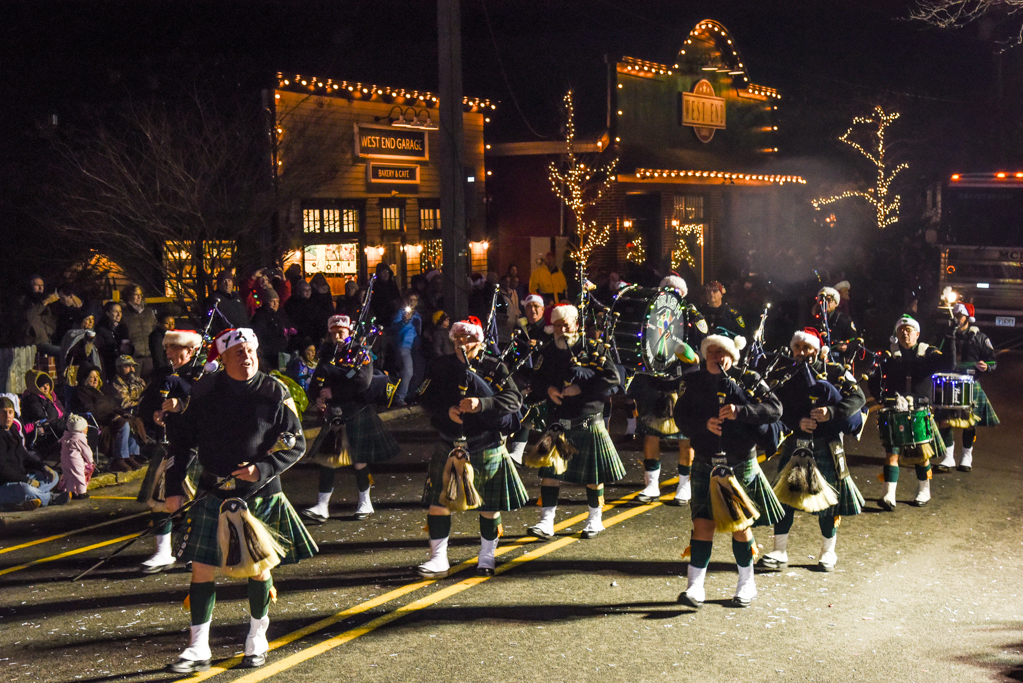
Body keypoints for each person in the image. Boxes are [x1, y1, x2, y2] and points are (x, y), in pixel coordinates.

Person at [162, 328, 315, 673]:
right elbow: (182, 443)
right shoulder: (205, 392)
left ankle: (256, 637)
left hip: (259, 493)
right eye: (238, 352)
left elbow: (295, 442)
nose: (246, 356)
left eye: (250, 350)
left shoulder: (275, 391)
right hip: (213, 490)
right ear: (223, 358)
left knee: (259, 569)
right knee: (201, 568)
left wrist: (262, 468)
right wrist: (173, 486)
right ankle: (198, 646)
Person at [673, 335, 784, 609]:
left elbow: (775, 408)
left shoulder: (748, 379)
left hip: (739, 462)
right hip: (705, 461)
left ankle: (747, 583)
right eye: (711, 351)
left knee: (740, 526)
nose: (716, 356)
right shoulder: (694, 381)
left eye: (722, 352)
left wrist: (741, 411)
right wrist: (703, 425)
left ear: (732, 356)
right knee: (702, 523)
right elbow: (680, 416)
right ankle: (694, 587)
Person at [415, 316, 529, 577]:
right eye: (458, 339)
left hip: (485, 443)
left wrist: (482, 405)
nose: (462, 344)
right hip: (450, 443)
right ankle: (439, 559)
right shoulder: (440, 366)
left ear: (480, 342)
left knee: (489, 507)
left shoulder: (494, 367)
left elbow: (514, 400)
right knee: (439, 504)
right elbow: (423, 397)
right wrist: (447, 412)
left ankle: (487, 557)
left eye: (469, 340)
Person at [759, 328, 866, 573]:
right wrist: (797, 423)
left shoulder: (836, 371)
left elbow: (857, 397)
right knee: (784, 498)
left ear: (817, 350)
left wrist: (832, 412)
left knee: (827, 502)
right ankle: (779, 550)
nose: (802, 352)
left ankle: (828, 552)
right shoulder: (784, 374)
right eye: (798, 347)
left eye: (807, 348)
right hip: (796, 443)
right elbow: (775, 406)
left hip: (826, 444)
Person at [525, 303, 624, 541]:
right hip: (559, 419)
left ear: (577, 325)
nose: (561, 329)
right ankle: (546, 522)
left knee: (593, 475)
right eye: (557, 325)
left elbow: (613, 379)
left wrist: (581, 388)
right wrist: (548, 389)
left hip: (588, 418)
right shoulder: (548, 351)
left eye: (566, 324)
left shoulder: (594, 349)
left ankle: (594, 519)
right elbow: (535, 379)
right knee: (550, 473)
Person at [301, 315, 401, 525]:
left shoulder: (361, 352)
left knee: (359, 460)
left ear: (349, 331)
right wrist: (317, 397)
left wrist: (333, 391)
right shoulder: (327, 353)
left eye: (341, 332)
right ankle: (322, 506)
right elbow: (318, 379)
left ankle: (365, 501)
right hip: (335, 412)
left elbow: (362, 383)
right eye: (334, 332)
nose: (337, 335)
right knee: (328, 459)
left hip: (356, 410)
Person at [634, 275, 707, 506]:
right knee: (650, 435)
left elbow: (700, 349)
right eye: (667, 289)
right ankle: (652, 485)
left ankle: (685, 485)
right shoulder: (650, 312)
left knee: (685, 438)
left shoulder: (692, 315)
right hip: (655, 382)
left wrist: (690, 355)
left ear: (683, 294)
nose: (671, 293)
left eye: (675, 290)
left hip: (682, 383)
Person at [137, 328, 204, 574]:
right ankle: (163, 552)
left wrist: (183, 405)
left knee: (197, 502)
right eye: (167, 348)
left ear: (189, 351)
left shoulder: (203, 376)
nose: (168, 353)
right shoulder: (168, 376)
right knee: (159, 501)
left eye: (172, 348)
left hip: (198, 448)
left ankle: (195, 551)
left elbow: (208, 408)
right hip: (174, 444)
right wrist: (159, 413)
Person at [868, 315, 951, 510]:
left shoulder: (928, 353)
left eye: (909, 329)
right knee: (891, 453)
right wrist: (878, 396)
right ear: (896, 334)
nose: (905, 333)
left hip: (920, 410)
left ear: (917, 333)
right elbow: (874, 378)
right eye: (901, 330)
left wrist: (951, 338)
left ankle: (924, 490)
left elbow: (948, 364)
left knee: (921, 455)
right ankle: (888, 494)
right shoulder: (888, 355)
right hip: (894, 410)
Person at [932, 302, 999, 473]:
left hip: (970, 383)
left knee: (969, 423)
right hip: (948, 382)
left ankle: (966, 456)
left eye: (960, 316)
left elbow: (992, 361)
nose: (956, 319)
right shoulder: (946, 335)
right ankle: (948, 457)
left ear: (968, 317)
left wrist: (987, 366)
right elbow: (935, 354)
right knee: (945, 422)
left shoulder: (980, 338)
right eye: (954, 315)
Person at [0, 397, 69, 510]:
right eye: (3, 412)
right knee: (25, 489)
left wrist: (43, 467)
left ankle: (27, 500)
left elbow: (23, 454)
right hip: (5, 484)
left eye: (10, 412)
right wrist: (27, 481)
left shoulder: (12, 429)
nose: (7, 416)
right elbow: (2, 470)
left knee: (53, 476)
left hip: (21, 478)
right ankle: (49, 498)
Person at [74, 365, 143, 472]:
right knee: (124, 424)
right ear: (85, 378)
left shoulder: (103, 391)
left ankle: (130, 456)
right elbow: (91, 412)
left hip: (112, 419)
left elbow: (115, 407)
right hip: (101, 423)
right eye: (92, 377)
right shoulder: (83, 392)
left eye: (97, 376)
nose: (96, 379)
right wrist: (110, 418)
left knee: (134, 421)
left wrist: (124, 413)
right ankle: (119, 459)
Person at [388, 290, 422, 407]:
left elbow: (418, 331)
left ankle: (409, 395)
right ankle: (399, 397)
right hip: (404, 345)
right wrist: (404, 321)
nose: (412, 303)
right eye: (410, 300)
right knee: (407, 371)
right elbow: (394, 328)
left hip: (415, 346)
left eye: (414, 300)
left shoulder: (417, 316)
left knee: (418, 372)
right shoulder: (400, 313)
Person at [250, 289, 292, 371]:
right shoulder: (260, 316)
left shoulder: (280, 314)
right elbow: (259, 333)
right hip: (269, 353)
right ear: (266, 302)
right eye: (272, 301)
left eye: (277, 301)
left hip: (281, 353)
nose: (275, 304)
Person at [121, 284, 157, 377]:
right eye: (135, 295)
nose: (139, 297)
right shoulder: (124, 313)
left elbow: (154, 330)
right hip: (134, 357)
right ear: (128, 296)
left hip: (150, 357)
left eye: (140, 294)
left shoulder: (149, 312)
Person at [813, 286, 857, 355]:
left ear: (836, 303)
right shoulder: (815, 319)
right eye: (823, 300)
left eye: (829, 300)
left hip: (837, 359)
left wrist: (846, 347)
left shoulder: (844, 319)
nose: (826, 303)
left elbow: (854, 340)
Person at [58, 413, 95, 498]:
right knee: (79, 475)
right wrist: (90, 460)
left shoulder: (66, 436)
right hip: (75, 460)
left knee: (68, 476)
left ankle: (71, 492)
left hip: (64, 460)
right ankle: (81, 492)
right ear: (81, 429)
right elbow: (86, 451)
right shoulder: (80, 438)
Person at [205, 270, 250, 335]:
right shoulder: (213, 299)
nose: (227, 284)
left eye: (229, 281)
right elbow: (210, 321)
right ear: (219, 283)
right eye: (224, 281)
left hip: (242, 335)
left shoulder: (237, 298)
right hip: (226, 337)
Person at [95, 301, 131, 378]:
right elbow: (101, 348)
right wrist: (115, 348)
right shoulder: (101, 329)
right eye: (115, 311)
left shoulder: (123, 328)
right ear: (108, 313)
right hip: (108, 365)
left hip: (122, 365)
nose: (119, 314)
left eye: (120, 311)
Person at [370, 263, 402, 328]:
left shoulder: (393, 285)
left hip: (393, 316)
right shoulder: (375, 286)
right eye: (383, 272)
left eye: (387, 271)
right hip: (380, 318)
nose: (385, 274)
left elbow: (398, 298)